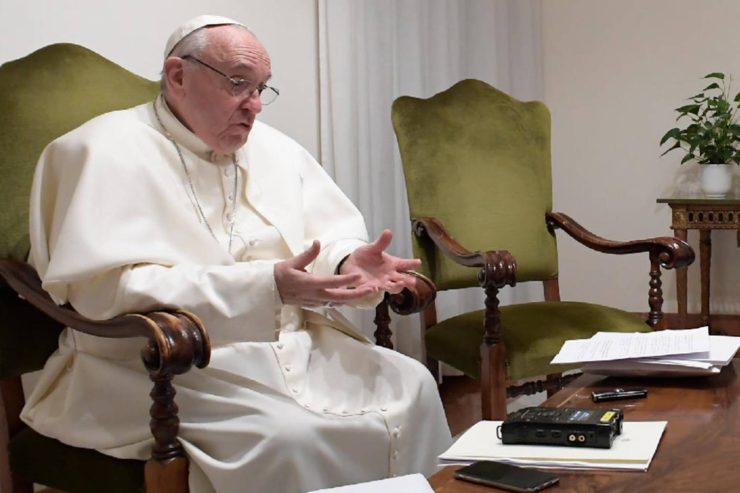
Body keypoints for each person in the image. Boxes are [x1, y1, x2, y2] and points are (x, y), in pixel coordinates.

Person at [20, 14, 451, 493]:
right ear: (178, 76)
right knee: (290, 437)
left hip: (294, 347)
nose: (255, 106)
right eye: (239, 84)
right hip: (164, 364)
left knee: (413, 384)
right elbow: (106, 291)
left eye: (262, 88)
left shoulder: (276, 150)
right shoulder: (98, 150)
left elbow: (322, 238)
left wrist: (346, 262)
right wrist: (268, 287)